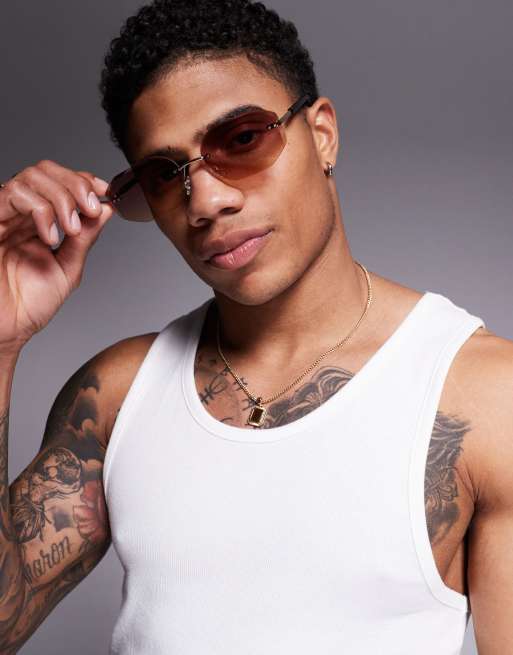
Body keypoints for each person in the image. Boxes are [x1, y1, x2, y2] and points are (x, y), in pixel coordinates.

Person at [0, 0, 511, 652]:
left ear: (321, 135)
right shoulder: (116, 393)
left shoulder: (483, 394)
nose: (207, 201)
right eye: (165, 174)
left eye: (242, 140)